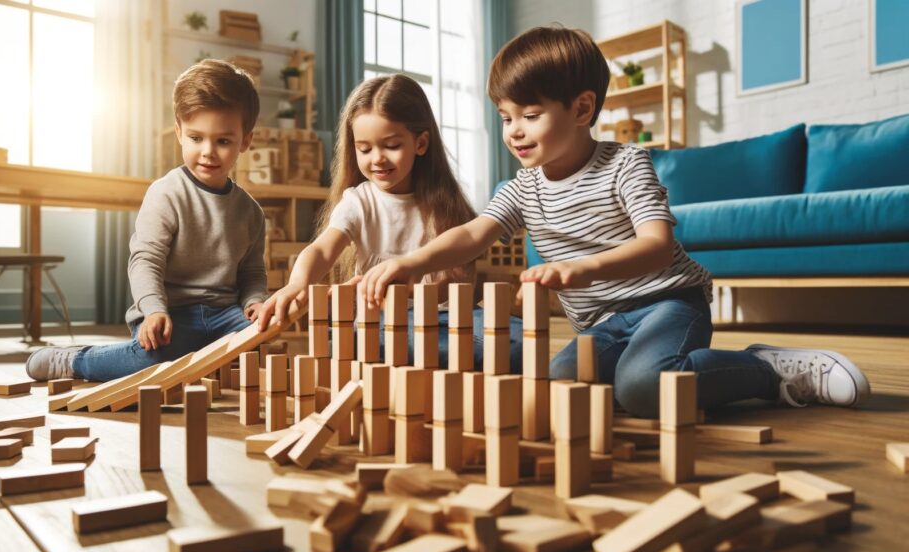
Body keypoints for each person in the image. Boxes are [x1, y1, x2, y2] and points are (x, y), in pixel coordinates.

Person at [360, 27, 869, 417]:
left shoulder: (627, 164)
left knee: (643, 386)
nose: (514, 131)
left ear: (582, 108)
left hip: (666, 303)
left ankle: (767, 371)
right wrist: (412, 262)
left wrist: (582, 269)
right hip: (602, 324)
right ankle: (699, 372)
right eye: (505, 116)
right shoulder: (522, 186)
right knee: (563, 385)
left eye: (530, 114)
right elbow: (474, 234)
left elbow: (656, 246)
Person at [256, 74, 523, 372]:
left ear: (420, 143)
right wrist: (298, 283)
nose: (378, 159)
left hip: (445, 319)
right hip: (379, 320)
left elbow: (456, 283)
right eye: (365, 149)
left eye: (391, 145)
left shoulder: (445, 203)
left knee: (516, 341)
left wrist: (403, 291)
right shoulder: (358, 201)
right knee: (357, 342)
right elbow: (321, 249)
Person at [26, 59, 268, 382]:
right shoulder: (166, 193)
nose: (208, 151)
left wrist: (255, 302)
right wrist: (154, 309)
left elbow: (252, 272)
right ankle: (76, 360)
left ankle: (200, 362)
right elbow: (145, 261)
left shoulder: (250, 212)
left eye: (223, 141)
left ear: (246, 140)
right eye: (196, 138)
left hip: (225, 315)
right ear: (180, 132)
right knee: (152, 361)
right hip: (170, 313)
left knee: (263, 347)